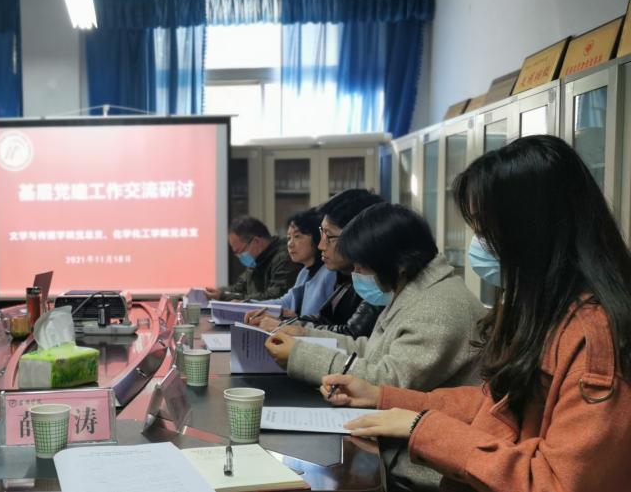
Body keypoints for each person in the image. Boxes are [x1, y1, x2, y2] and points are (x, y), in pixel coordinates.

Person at [325, 136, 631, 492]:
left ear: (532, 232)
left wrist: (423, 428)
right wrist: (384, 398)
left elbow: (555, 482)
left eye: (487, 233)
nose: (480, 245)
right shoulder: (543, 308)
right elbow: (496, 402)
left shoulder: (594, 338)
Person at [265, 203, 486, 491]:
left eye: (362, 267)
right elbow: (373, 349)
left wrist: (300, 354)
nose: (356, 273)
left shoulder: (439, 308)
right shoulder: (415, 289)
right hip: (396, 448)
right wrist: (306, 337)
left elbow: (386, 382)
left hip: (421, 469)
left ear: (397, 261)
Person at [250, 189, 385, 338]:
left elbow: (351, 335)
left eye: (329, 236)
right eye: (322, 234)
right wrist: (283, 321)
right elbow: (324, 320)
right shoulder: (346, 278)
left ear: (359, 237)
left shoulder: (377, 283)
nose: (321, 245)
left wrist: (288, 326)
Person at [252, 208, 336, 316]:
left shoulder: (329, 273)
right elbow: (286, 302)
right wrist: (247, 304)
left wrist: (295, 321)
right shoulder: (304, 273)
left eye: (297, 236)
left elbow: (324, 321)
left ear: (316, 237)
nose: (290, 244)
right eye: (288, 238)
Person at [204, 215, 298, 302]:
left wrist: (229, 298)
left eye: (240, 251)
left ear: (256, 241)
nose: (239, 256)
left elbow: (274, 297)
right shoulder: (257, 261)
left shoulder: (284, 259)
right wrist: (220, 293)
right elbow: (239, 288)